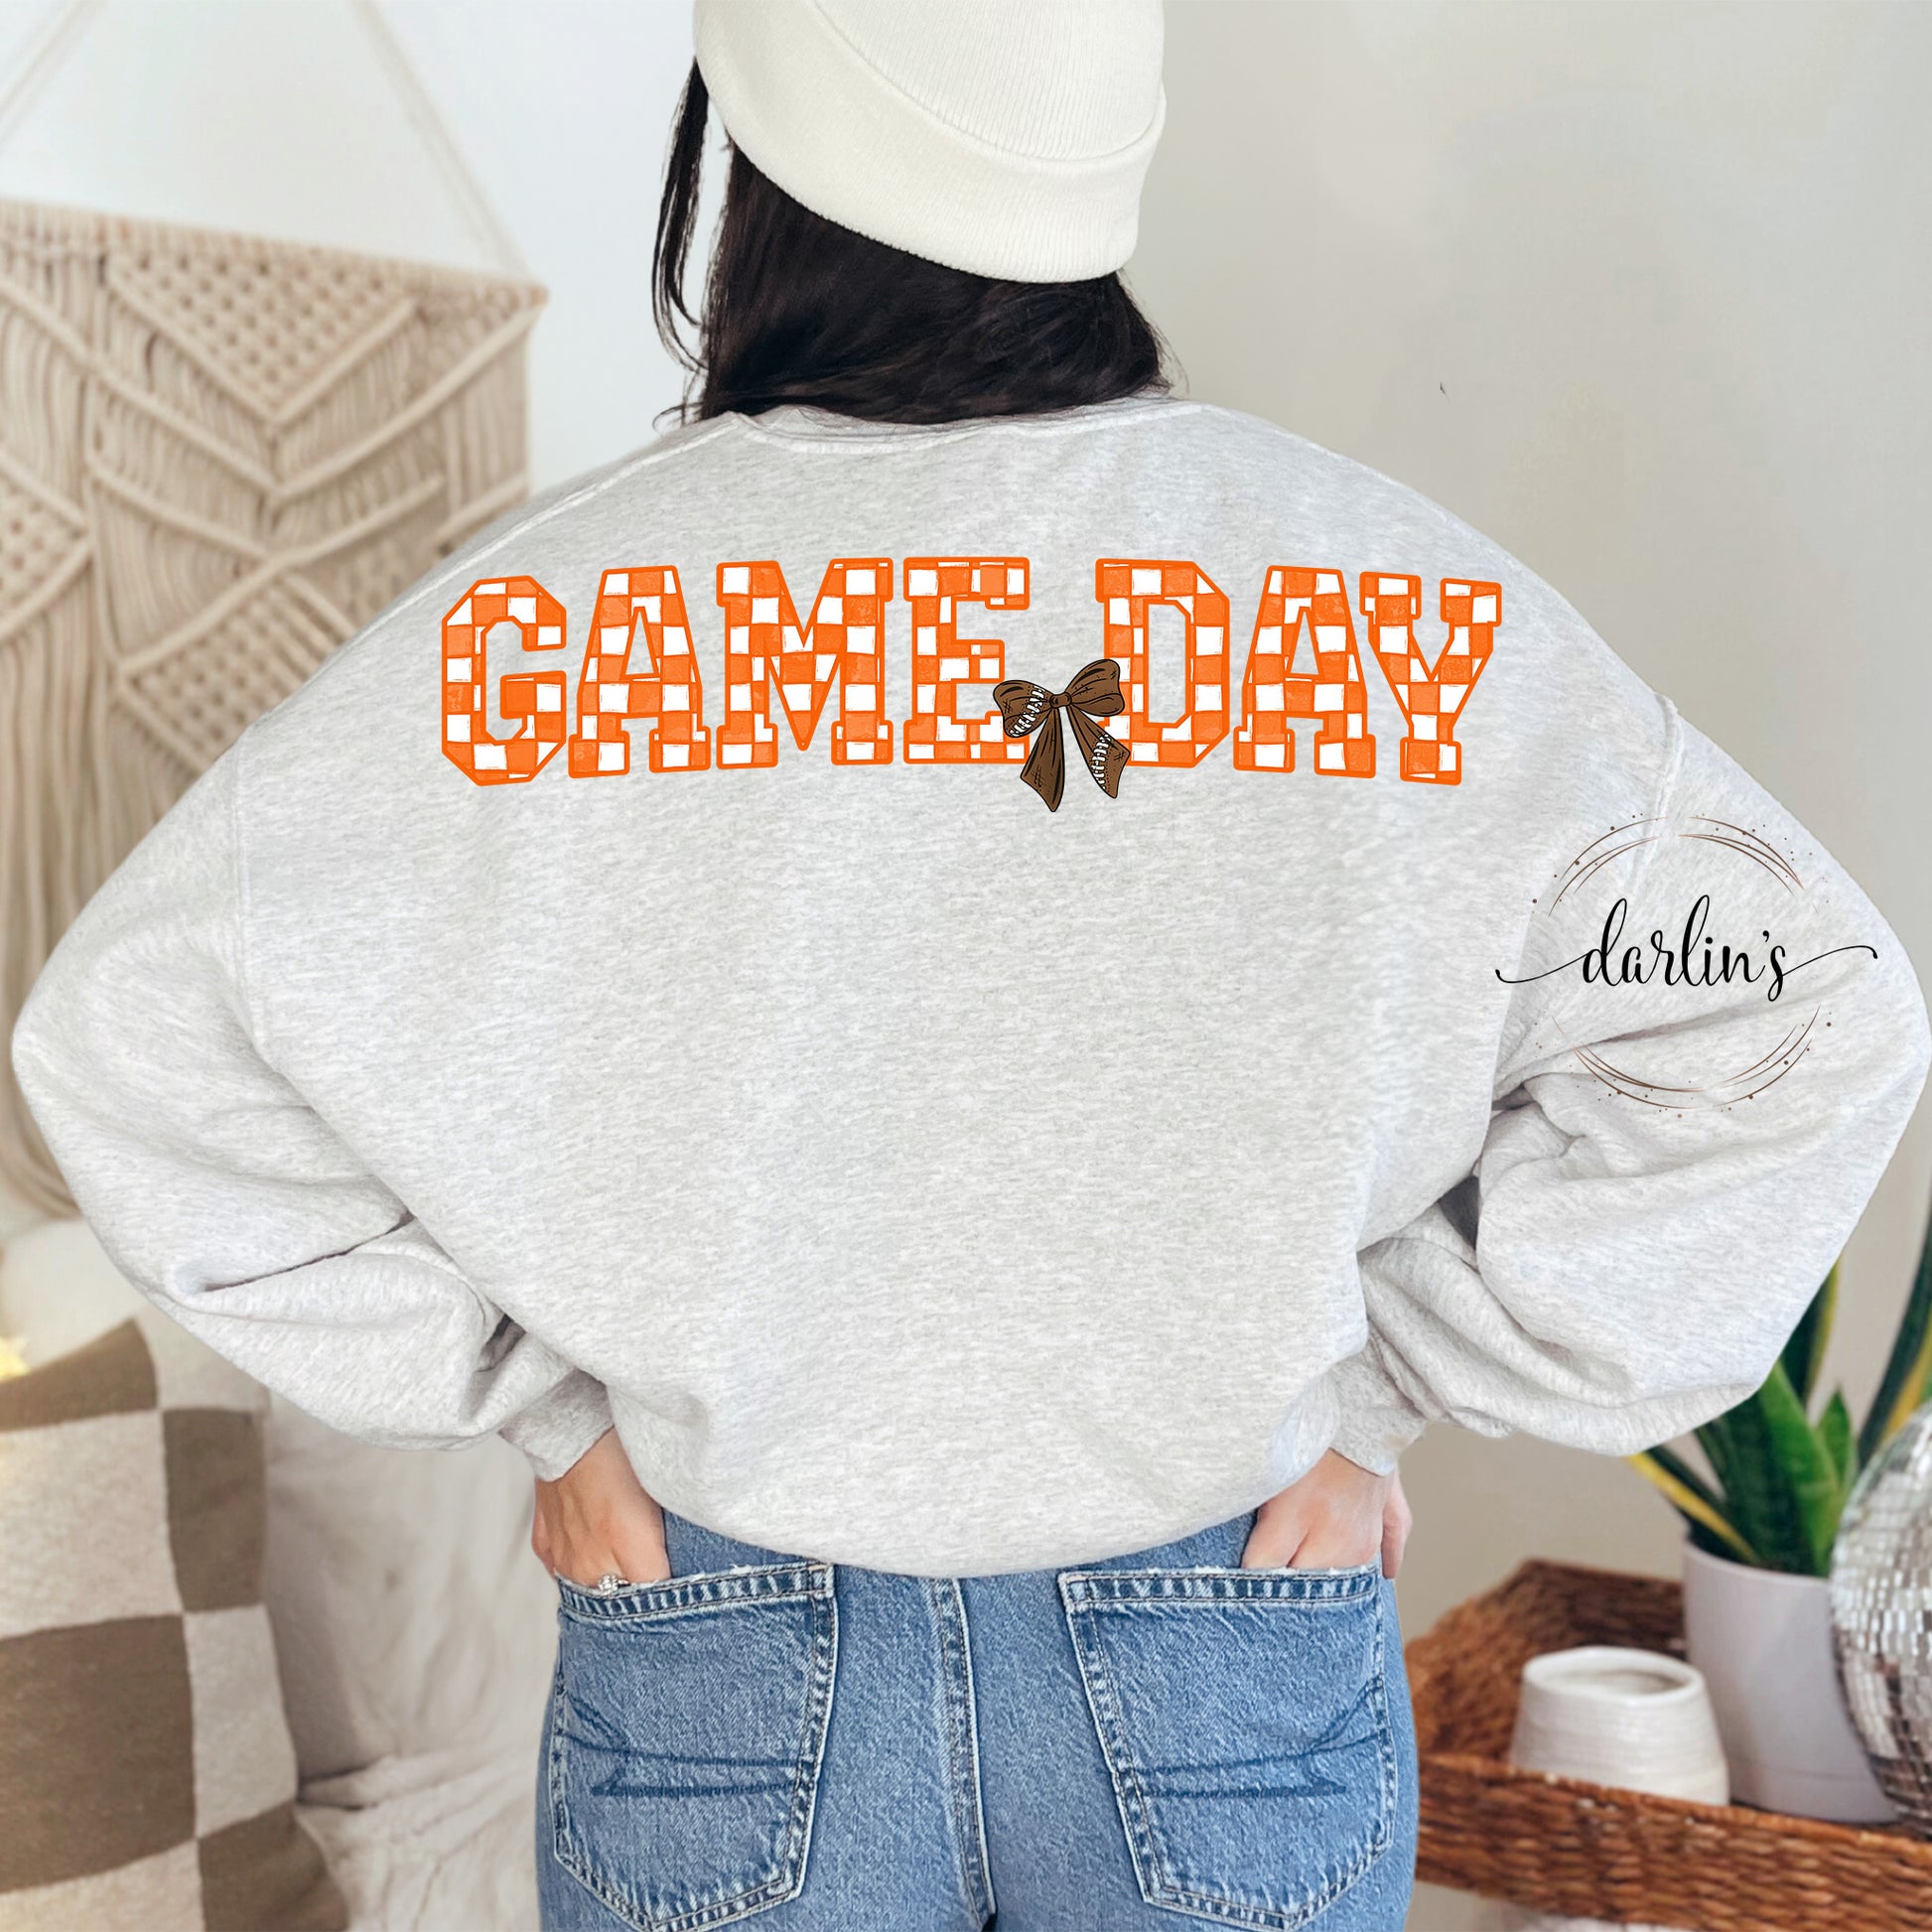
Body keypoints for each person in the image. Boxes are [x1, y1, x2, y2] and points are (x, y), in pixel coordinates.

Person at [12, 4, 1927, 1929]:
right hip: (1223, 1630)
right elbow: (1802, 1004)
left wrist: (536, 1402)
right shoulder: (1389, 598)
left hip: (721, 1638)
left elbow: (126, 1042)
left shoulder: (520, 632)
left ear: (742, 156)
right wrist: (1388, 1385)